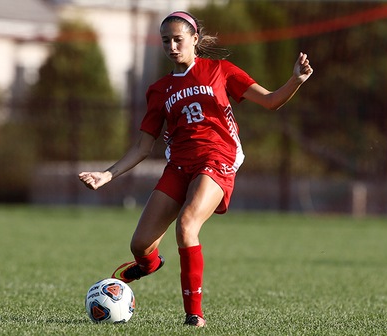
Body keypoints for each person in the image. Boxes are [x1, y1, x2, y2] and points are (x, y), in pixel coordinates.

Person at [79, 11, 312, 327]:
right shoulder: (159, 90)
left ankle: (194, 315)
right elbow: (142, 147)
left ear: (194, 39)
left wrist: (295, 80)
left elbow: (271, 101)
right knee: (140, 245)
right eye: (166, 41)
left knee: (187, 225)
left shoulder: (220, 70)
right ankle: (149, 265)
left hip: (217, 159)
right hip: (178, 165)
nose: (172, 47)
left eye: (178, 39)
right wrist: (107, 174)